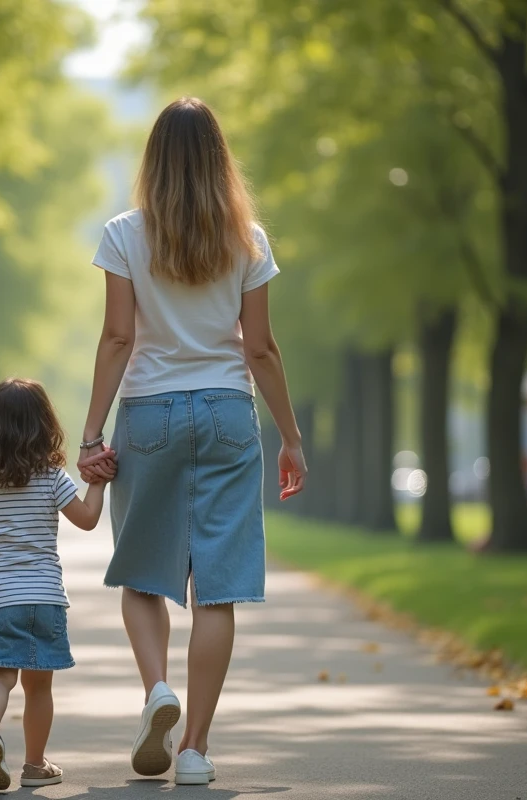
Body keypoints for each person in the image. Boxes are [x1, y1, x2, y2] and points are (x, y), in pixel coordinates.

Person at [77, 97, 306, 786]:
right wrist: (291, 437)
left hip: (148, 412)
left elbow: (119, 338)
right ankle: (197, 750)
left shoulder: (124, 233)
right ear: (219, 159)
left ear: (153, 160)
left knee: (143, 574)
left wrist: (91, 433)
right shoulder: (248, 239)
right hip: (229, 412)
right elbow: (260, 349)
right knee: (219, 588)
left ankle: (157, 691)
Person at [0, 378, 113, 791]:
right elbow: (87, 519)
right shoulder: (52, 477)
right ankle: (35, 765)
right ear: (44, 425)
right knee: (39, 688)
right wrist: (98, 482)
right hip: (46, 599)